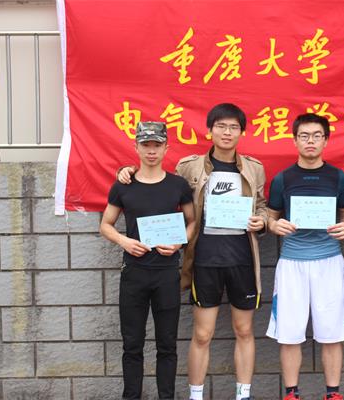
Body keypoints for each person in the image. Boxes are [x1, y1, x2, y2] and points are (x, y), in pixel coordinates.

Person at [118, 103, 267, 400]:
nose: (227, 132)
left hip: (242, 260)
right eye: (221, 126)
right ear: (210, 130)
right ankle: (195, 396)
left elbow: (262, 205)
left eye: (233, 127)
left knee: (244, 330)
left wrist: (261, 221)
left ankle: (244, 395)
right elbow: (160, 182)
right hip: (204, 259)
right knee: (202, 334)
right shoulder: (190, 167)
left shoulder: (254, 168)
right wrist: (128, 170)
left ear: (242, 132)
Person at [100, 121, 195, 400]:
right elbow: (105, 224)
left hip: (167, 273)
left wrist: (179, 242)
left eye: (157, 145)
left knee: (167, 344)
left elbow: (192, 222)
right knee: (132, 344)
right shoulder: (123, 186)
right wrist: (124, 241)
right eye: (146, 145)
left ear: (166, 148)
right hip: (134, 272)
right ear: (136, 147)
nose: (151, 151)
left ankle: (167, 396)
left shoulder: (178, 185)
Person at [266, 113, 344, 400]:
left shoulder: (339, 178)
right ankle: (291, 393)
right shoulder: (282, 179)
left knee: (332, 332)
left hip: (329, 261)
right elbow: (270, 217)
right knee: (289, 332)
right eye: (304, 136)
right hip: (292, 263)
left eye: (317, 136)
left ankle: (333, 394)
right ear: (295, 140)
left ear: (326, 140)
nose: (310, 141)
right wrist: (274, 226)